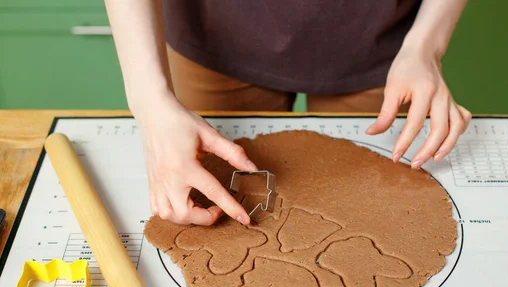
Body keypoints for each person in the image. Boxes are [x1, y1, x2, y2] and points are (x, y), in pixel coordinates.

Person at [105, 0, 471, 227]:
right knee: (205, 192)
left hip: (383, 49)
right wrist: (150, 103)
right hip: (212, 33)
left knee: (372, 203)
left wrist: (425, 46)